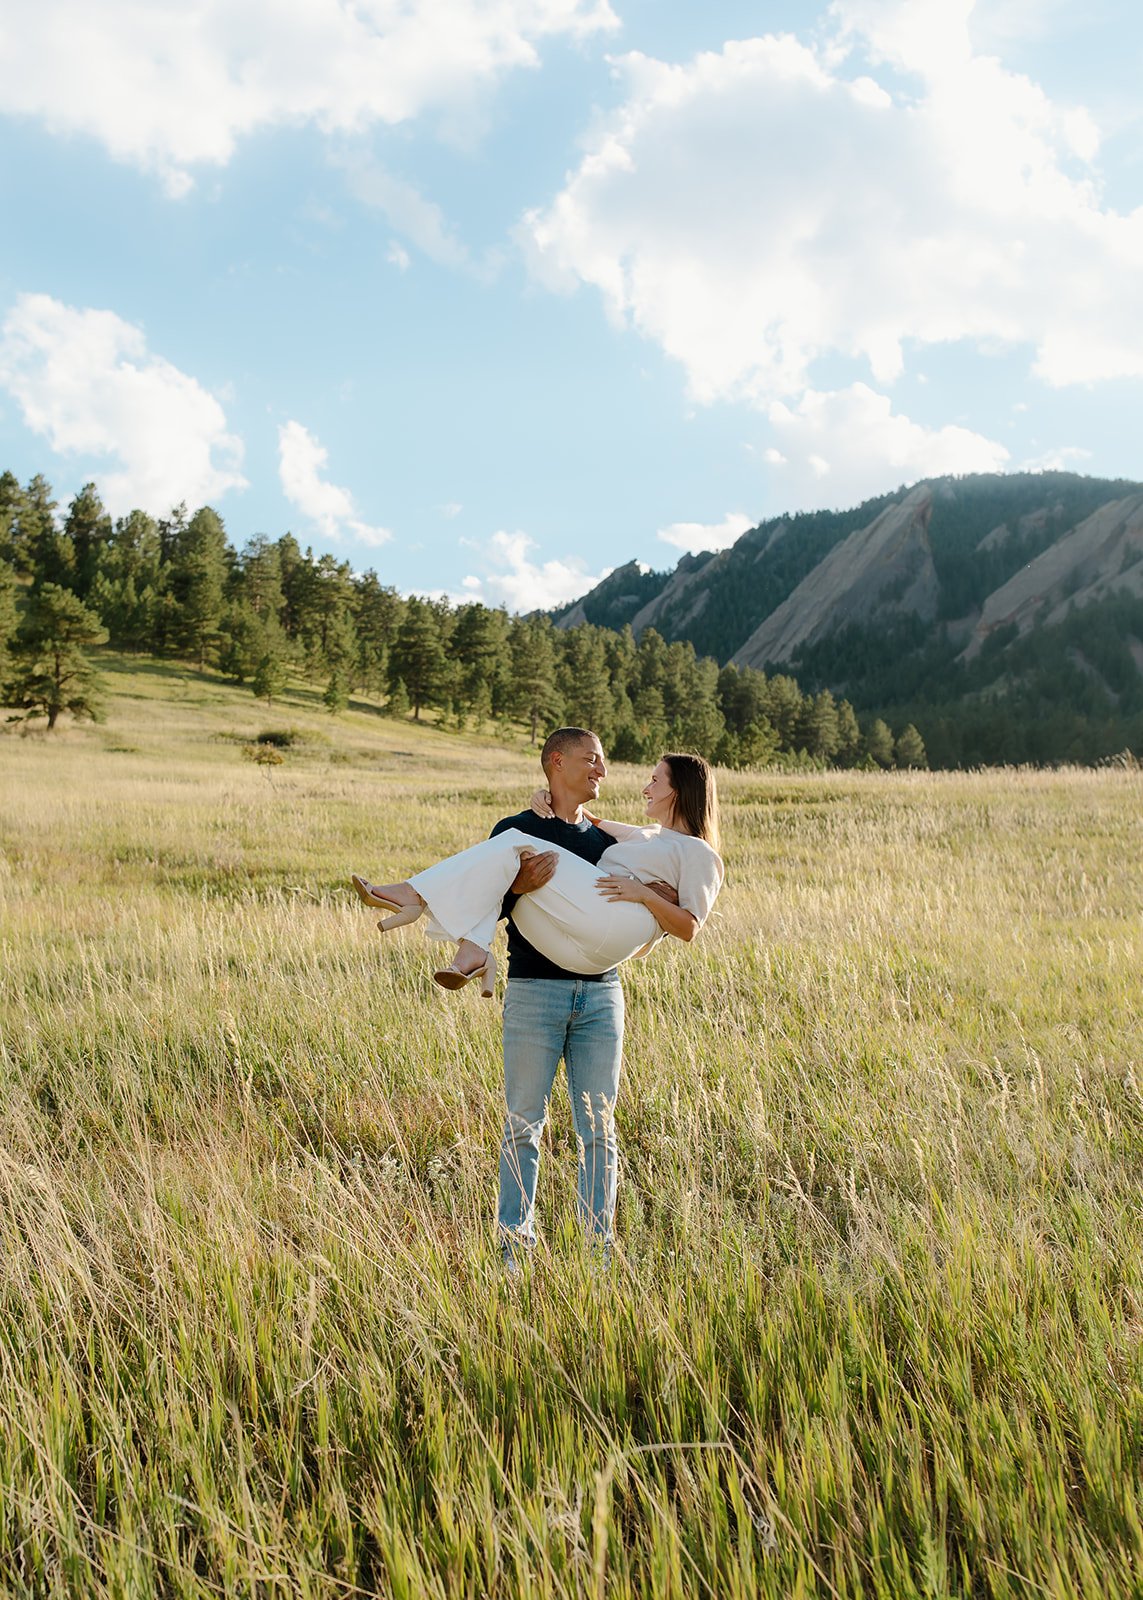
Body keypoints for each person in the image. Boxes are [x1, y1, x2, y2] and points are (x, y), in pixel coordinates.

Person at [351, 729, 722, 1265]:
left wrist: (648, 895)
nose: (609, 773)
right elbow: (505, 888)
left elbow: (672, 908)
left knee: (598, 1126)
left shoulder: (611, 846)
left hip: (600, 988)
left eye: (649, 777)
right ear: (556, 763)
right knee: (523, 1122)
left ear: (678, 791)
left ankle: (425, 906)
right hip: (536, 987)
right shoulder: (530, 827)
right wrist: (519, 884)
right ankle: (513, 1251)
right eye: (591, 760)